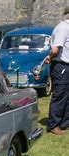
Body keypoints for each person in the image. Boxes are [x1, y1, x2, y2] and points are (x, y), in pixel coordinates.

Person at [44, 7, 69, 135]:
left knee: (66, 96)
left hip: (65, 66)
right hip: (61, 66)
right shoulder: (63, 28)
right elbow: (55, 49)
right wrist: (50, 57)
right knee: (60, 95)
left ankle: (64, 123)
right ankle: (53, 125)